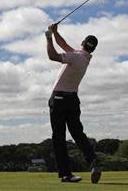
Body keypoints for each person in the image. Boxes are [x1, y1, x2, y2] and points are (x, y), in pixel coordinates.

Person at [45, 23, 101, 184]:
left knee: (59, 137)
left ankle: (65, 174)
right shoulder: (83, 58)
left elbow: (53, 56)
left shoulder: (75, 56)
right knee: (77, 133)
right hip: (73, 100)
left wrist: (48, 38)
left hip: (59, 99)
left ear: (82, 43)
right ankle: (93, 161)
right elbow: (64, 45)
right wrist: (56, 32)